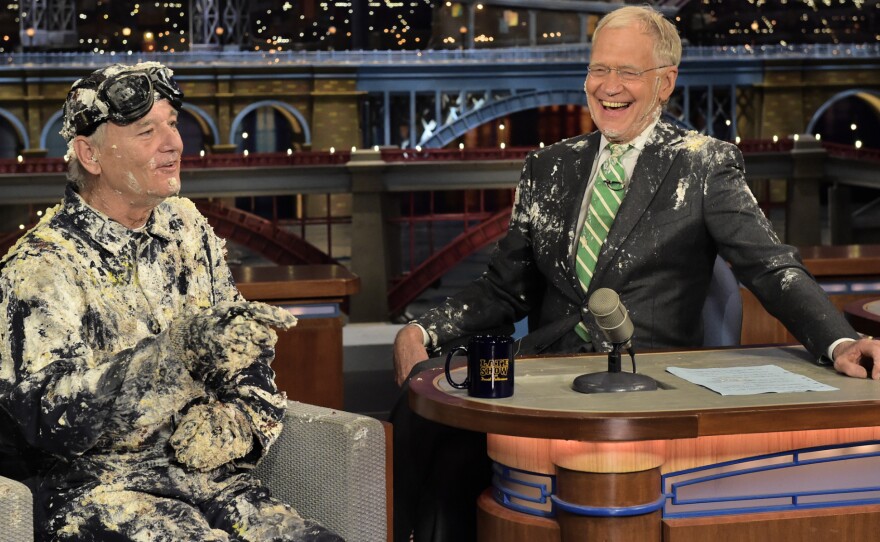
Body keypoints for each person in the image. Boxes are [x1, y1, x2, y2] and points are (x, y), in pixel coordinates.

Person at [391, 5, 880, 541]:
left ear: (665, 82)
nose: (609, 86)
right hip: (543, 377)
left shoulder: (703, 163)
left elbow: (771, 267)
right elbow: (504, 288)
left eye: (628, 72)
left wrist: (839, 342)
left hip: (648, 387)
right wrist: (422, 331)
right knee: (428, 432)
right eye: (599, 69)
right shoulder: (548, 166)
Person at [0, 62, 343, 541]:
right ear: (89, 154)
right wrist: (172, 355)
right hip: (97, 493)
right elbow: (51, 420)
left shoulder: (187, 229)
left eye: (172, 124)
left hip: (211, 480)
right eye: (146, 131)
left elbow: (245, 353)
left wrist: (239, 423)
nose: (174, 144)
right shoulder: (41, 266)